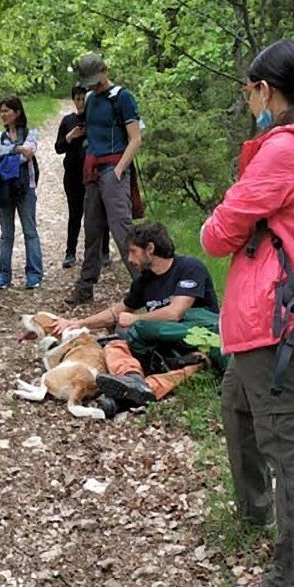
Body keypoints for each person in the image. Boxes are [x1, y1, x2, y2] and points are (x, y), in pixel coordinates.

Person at [201, 39, 294, 587]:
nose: (247, 101)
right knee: (237, 404)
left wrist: (225, 212)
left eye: (249, 91)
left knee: (292, 450)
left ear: (265, 89)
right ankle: (255, 511)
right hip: (266, 316)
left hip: (272, 319)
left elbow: (217, 234)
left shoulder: (285, 149)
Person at [55, 221, 218, 416]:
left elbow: (176, 313)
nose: (130, 259)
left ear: (150, 248)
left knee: (192, 365)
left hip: (197, 341)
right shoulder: (145, 280)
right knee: (113, 346)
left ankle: (138, 391)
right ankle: (132, 380)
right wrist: (79, 323)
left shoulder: (190, 268)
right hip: (163, 348)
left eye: (133, 251)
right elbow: (118, 312)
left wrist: (136, 319)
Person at [64, 52, 143, 306]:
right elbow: (91, 130)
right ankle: (86, 286)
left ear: (105, 70)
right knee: (92, 230)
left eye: (97, 80)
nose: (94, 85)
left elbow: (135, 139)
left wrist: (120, 169)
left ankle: (145, 286)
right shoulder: (90, 99)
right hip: (93, 170)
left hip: (113, 168)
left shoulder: (122, 97)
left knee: (122, 230)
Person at [55, 84, 111, 270]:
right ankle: (70, 252)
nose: (80, 103)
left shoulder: (95, 120)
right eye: (77, 99)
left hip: (95, 173)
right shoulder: (68, 121)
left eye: (83, 99)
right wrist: (70, 136)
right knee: (75, 213)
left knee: (100, 213)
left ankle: (103, 251)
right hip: (73, 175)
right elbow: (58, 148)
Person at [0, 96, 43, 290]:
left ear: (17, 112)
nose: (3, 115)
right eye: (1, 111)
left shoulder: (31, 133)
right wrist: (16, 149)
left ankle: (34, 274)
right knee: (6, 234)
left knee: (30, 231)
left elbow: (28, 154)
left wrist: (8, 153)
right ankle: (3, 274)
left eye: (7, 111)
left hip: (25, 187)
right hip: (4, 187)